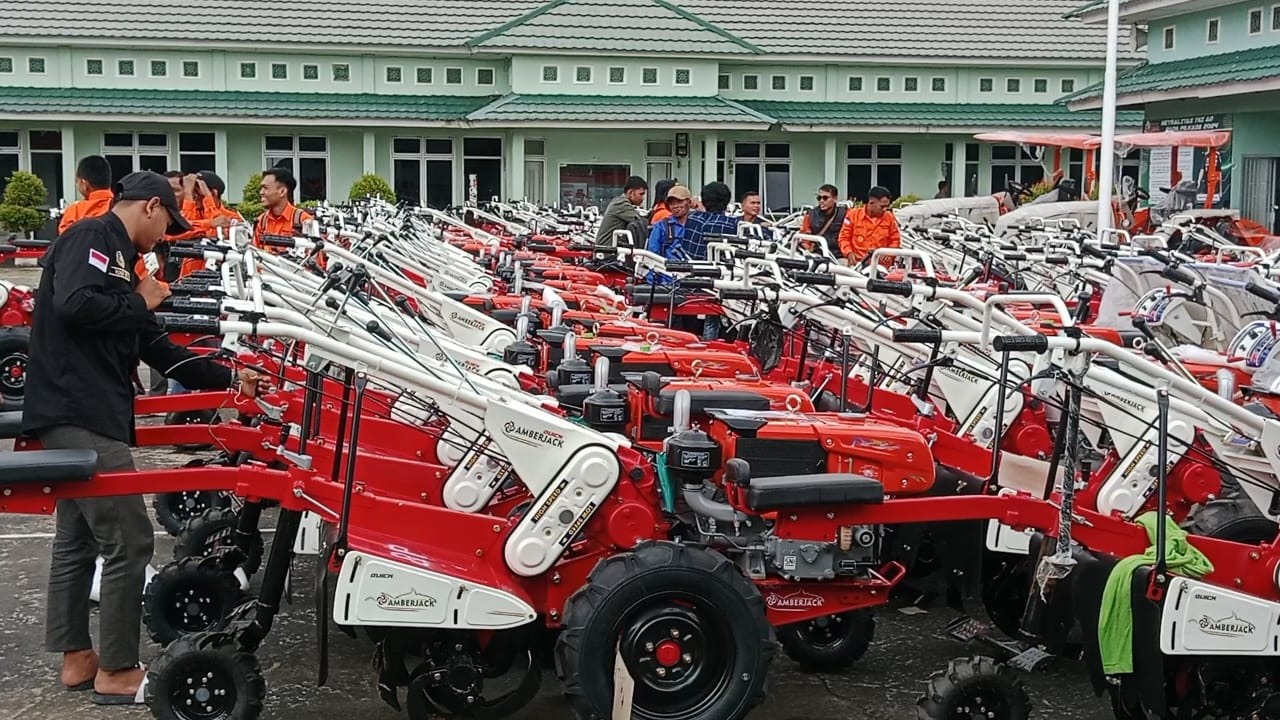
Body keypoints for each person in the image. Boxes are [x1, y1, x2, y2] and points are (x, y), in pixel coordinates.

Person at [22, 171, 264, 706]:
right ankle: (117, 669)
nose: (165, 236)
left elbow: (159, 350)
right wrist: (140, 300)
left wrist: (232, 378)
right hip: (75, 407)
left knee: (78, 538)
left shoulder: (124, 261)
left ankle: (78, 658)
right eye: (167, 223)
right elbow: (76, 305)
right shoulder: (91, 237)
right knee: (129, 539)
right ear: (150, 207)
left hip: (86, 408)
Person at [168, 171, 244, 279]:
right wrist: (188, 195)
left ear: (213, 193)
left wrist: (208, 199)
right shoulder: (192, 211)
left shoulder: (233, 218)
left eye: (197, 191)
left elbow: (217, 232)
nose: (192, 196)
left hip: (220, 281)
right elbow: (180, 230)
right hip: (188, 280)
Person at [838, 185, 901, 266]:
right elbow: (844, 238)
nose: (885, 209)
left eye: (887, 206)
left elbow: (895, 240)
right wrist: (849, 253)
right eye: (882, 206)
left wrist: (889, 254)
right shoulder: (853, 215)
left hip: (881, 266)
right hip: (857, 264)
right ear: (871, 202)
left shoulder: (889, 217)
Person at [254, 167, 313, 251]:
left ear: (282, 191)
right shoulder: (261, 222)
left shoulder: (303, 221)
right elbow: (255, 255)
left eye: (265, 188)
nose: (261, 192)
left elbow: (315, 259)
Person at [58, 156, 114, 234]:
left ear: (84, 184)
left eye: (77, 181)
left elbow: (65, 240)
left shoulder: (75, 211)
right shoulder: (120, 206)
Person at [595, 176, 648, 245]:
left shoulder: (619, 201)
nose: (643, 198)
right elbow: (640, 222)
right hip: (608, 252)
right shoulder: (622, 204)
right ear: (630, 192)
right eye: (641, 194)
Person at [801, 184, 847, 257]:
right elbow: (804, 237)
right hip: (817, 254)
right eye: (819, 198)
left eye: (825, 198)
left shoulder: (846, 214)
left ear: (835, 199)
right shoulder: (810, 214)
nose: (821, 201)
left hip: (838, 255)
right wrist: (809, 249)